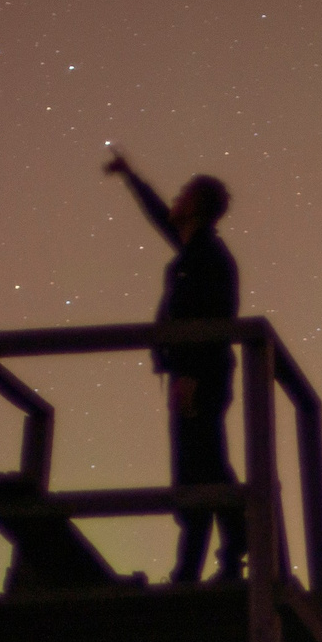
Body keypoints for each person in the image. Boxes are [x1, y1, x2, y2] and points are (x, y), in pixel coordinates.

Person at [104, 150, 242, 582]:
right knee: (202, 467)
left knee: (200, 469)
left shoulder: (209, 257)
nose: (176, 199)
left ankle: (216, 558)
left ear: (197, 206)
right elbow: (161, 217)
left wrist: (191, 375)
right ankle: (212, 560)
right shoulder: (195, 249)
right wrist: (131, 177)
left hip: (200, 376)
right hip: (193, 374)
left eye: (184, 194)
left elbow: (216, 319)